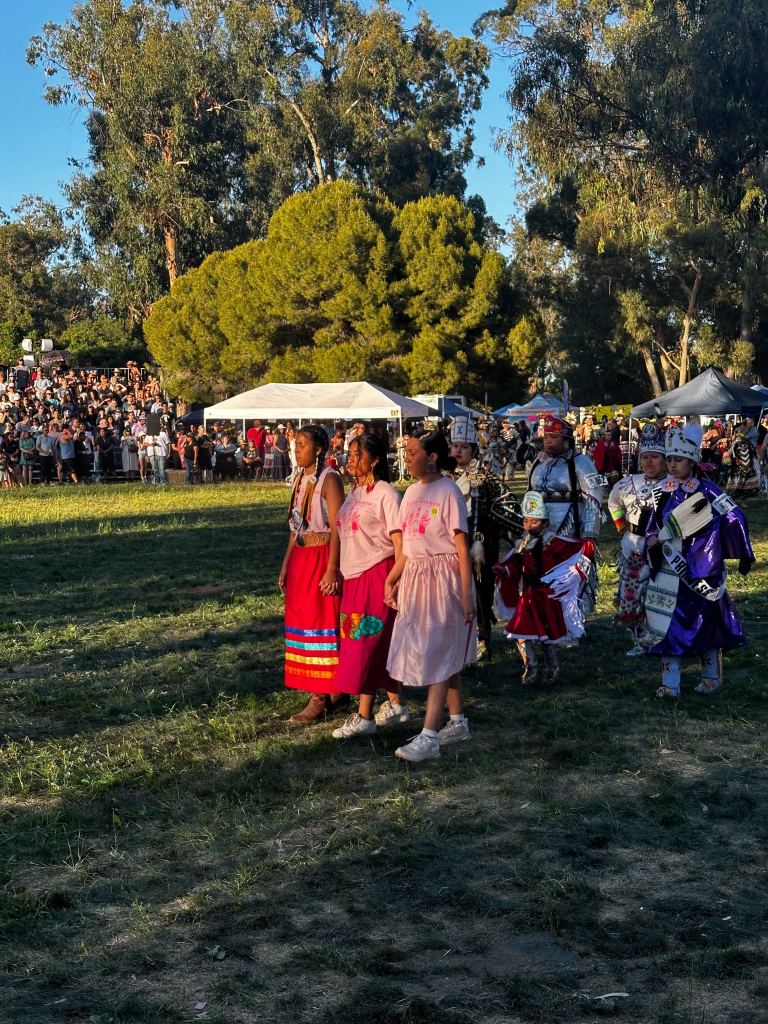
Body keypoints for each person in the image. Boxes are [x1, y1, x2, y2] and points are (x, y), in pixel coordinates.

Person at [384, 429, 476, 763]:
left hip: (443, 580)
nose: (407, 458)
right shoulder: (409, 494)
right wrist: (393, 579)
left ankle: (429, 735)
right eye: (405, 452)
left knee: (438, 651)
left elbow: (462, 548)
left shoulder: (448, 491)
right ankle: (458, 721)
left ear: (432, 457)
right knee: (440, 649)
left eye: (412, 452)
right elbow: (407, 547)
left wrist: (466, 595)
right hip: (416, 580)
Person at [642, 427, 754, 698]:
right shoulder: (662, 491)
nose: (672, 465)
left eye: (678, 460)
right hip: (669, 570)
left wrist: (735, 549)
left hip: (701, 569)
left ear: (691, 461)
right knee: (667, 622)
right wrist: (651, 538)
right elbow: (652, 523)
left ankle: (711, 678)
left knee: (707, 622)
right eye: (669, 460)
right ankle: (670, 684)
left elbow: (735, 516)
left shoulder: (708, 490)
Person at [331, 433, 411, 739]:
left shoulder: (386, 494)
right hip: (353, 577)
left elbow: (399, 542)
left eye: (357, 454)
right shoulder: (355, 494)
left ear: (375, 460)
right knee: (376, 644)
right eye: (349, 454)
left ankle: (364, 716)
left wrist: (394, 580)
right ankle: (397, 703)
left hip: (377, 574)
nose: (350, 459)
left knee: (362, 645)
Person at [278, 425, 347, 725]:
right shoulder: (299, 479)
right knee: (303, 621)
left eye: (303, 445)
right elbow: (296, 527)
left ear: (319, 449)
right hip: (302, 558)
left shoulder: (329, 479)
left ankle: (322, 695)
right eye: (296, 445)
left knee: (322, 622)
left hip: (322, 557)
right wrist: (285, 563)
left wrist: (333, 568)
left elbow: (338, 527)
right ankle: (327, 689)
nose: (297, 449)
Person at [493, 491, 594, 685]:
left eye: (535, 522)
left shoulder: (554, 543)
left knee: (548, 637)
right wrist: (504, 570)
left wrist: (573, 573)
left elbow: (583, 548)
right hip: (528, 596)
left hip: (547, 597)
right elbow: (515, 564)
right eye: (526, 521)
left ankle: (552, 667)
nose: (530, 526)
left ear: (545, 523)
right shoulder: (521, 545)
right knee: (520, 633)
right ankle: (530, 666)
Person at [607, 425, 669, 655]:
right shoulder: (626, 483)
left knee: (659, 593)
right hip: (633, 544)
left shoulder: (674, 483)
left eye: (655, 457)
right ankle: (638, 638)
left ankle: (660, 636)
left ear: (665, 459)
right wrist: (620, 524)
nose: (649, 462)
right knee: (632, 591)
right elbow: (613, 502)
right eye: (645, 457)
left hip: (664, 547)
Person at [450, 417, 502, 661]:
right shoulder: (444, 475)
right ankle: (458, 639)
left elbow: (496, 508)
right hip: (451, 540)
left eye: (464, 446)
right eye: (455, 445)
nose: (458, 450)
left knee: (480, 590)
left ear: (474, 449)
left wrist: (483, 539)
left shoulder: (484, 474)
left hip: (479, 539)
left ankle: (483, 639)